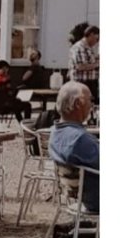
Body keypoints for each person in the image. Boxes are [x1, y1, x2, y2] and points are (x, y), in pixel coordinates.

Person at [48, 81, 99, 212]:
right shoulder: (81, 139)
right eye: (89, 100)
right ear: (78, 104)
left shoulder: (55, 132)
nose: (91, 105)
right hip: (95, 200)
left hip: (76, 196)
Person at [68, 25, 100, 106]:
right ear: (91, 35)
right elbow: (81, 66)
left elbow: (90, 62)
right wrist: (98, 64)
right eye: (97, 39)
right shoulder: (79, 48)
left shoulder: (88, 48)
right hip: (81, 83)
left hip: (91, 82)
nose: (97, 42)